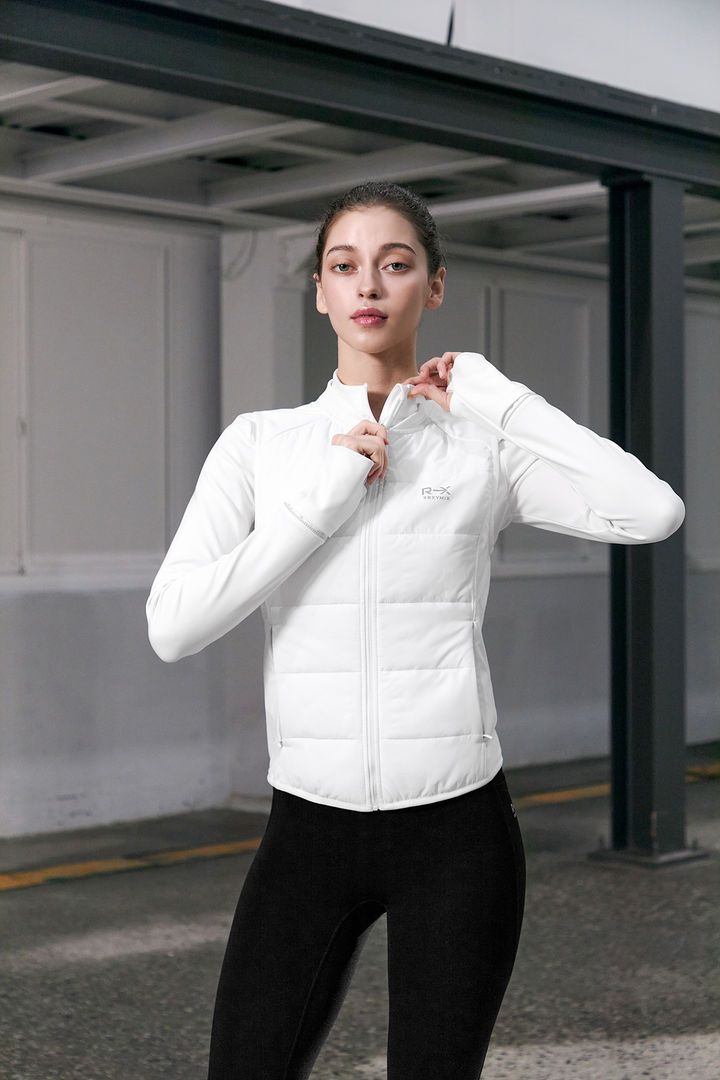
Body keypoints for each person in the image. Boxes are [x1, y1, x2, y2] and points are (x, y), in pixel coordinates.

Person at [145, 181, 685, 1079]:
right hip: (308, 828)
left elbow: (653, 511)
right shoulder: (262, 445)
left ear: (433, 287)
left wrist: (501, 400)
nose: (368, 285)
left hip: (457, 833)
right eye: (344, 265)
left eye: (395, 264)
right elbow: (173, 626)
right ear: (320, 290)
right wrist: (318, 504)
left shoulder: (481, 448)